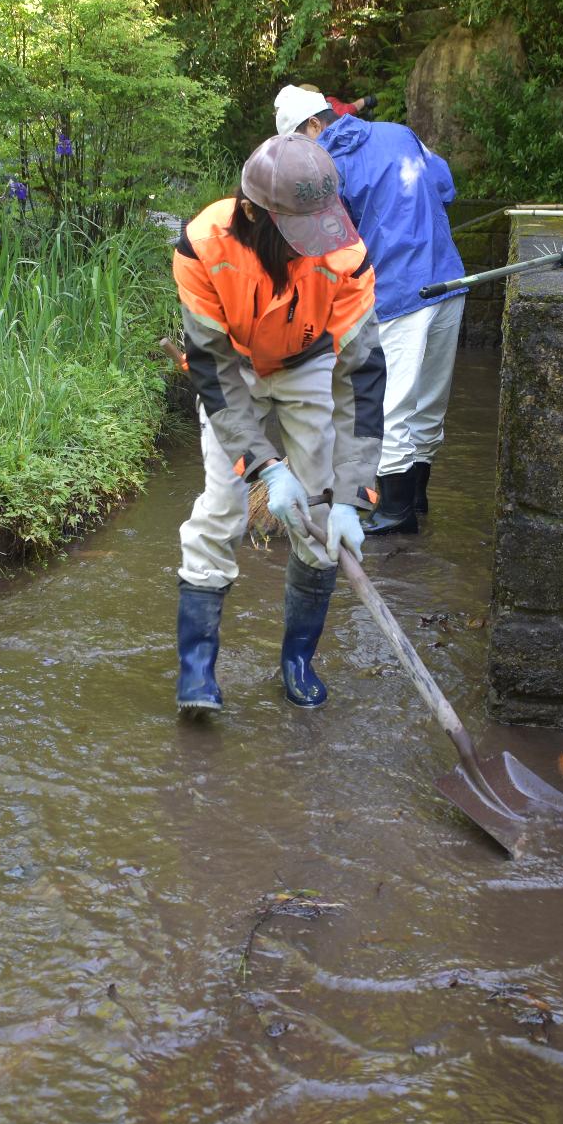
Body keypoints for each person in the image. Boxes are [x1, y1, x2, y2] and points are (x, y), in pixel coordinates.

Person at [173, 134, 386, 713]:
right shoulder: (201, 245)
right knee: (222, 509)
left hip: (308, 364)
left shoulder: (346, 257)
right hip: (234, 369)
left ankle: (297, 659)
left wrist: (351, 494)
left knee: (318, 517)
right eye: (297, 235)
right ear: (252, 213)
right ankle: (197, 674)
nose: (307, 249)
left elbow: (361, 378)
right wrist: (264, 466)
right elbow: (212, 370)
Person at [275, 84, 465, 536]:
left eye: (299, 143)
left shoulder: (327, 170)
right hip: (449, 283)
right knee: (429, 404)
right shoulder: (399, 134)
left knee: (390, 404)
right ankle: (415, 499)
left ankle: (394, 512)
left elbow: (329, 253)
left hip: (399, 294)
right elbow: (445, 186)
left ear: (316, 125)